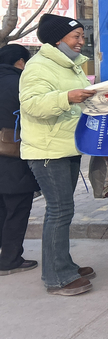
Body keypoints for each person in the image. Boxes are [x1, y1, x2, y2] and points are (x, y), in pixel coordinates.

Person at [19, 14, 96, 295]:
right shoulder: (38, 66)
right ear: (57, 39)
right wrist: (67, 97)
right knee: (59, 210)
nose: (81, 41)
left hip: (67, 146)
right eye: (76, 36)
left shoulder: (70, 65)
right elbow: (31, 104)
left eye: (82, 36)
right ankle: (56, 277)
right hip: (48, 151)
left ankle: (63, 263)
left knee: (64, 209)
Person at [0, 45, 40, 276]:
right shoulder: (20, 84)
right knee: (17, 209)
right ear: (21, 62)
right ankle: (10, 259)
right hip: (13, 154)